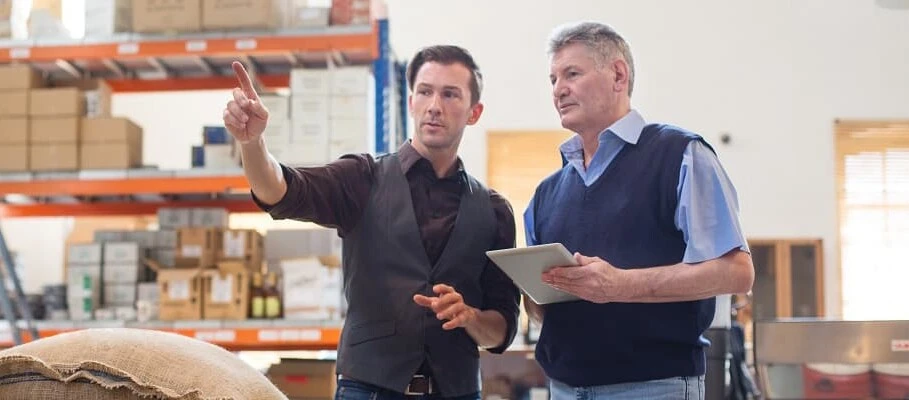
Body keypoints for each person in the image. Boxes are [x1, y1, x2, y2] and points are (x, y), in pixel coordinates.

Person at [221, 45, 521, 400]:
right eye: (425, 91)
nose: (434, 105)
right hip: (368, 390)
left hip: (456, 391)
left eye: (450, 94)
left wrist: (470, 317)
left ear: (474, 112)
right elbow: (281, 190)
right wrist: (253, 144)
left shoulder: (494, 210)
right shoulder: (362, 178)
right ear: (411, 101)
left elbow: (502, 329)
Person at [523, 21, 755, 399]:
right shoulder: (546, 193)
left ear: (618, 74)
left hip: (653, 388)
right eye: (552, 79)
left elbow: (736, 272)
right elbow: (542, 306)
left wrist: (619, 286)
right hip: (564, 388)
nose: (558, 89)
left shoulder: (680, 155)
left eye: (572, 74)